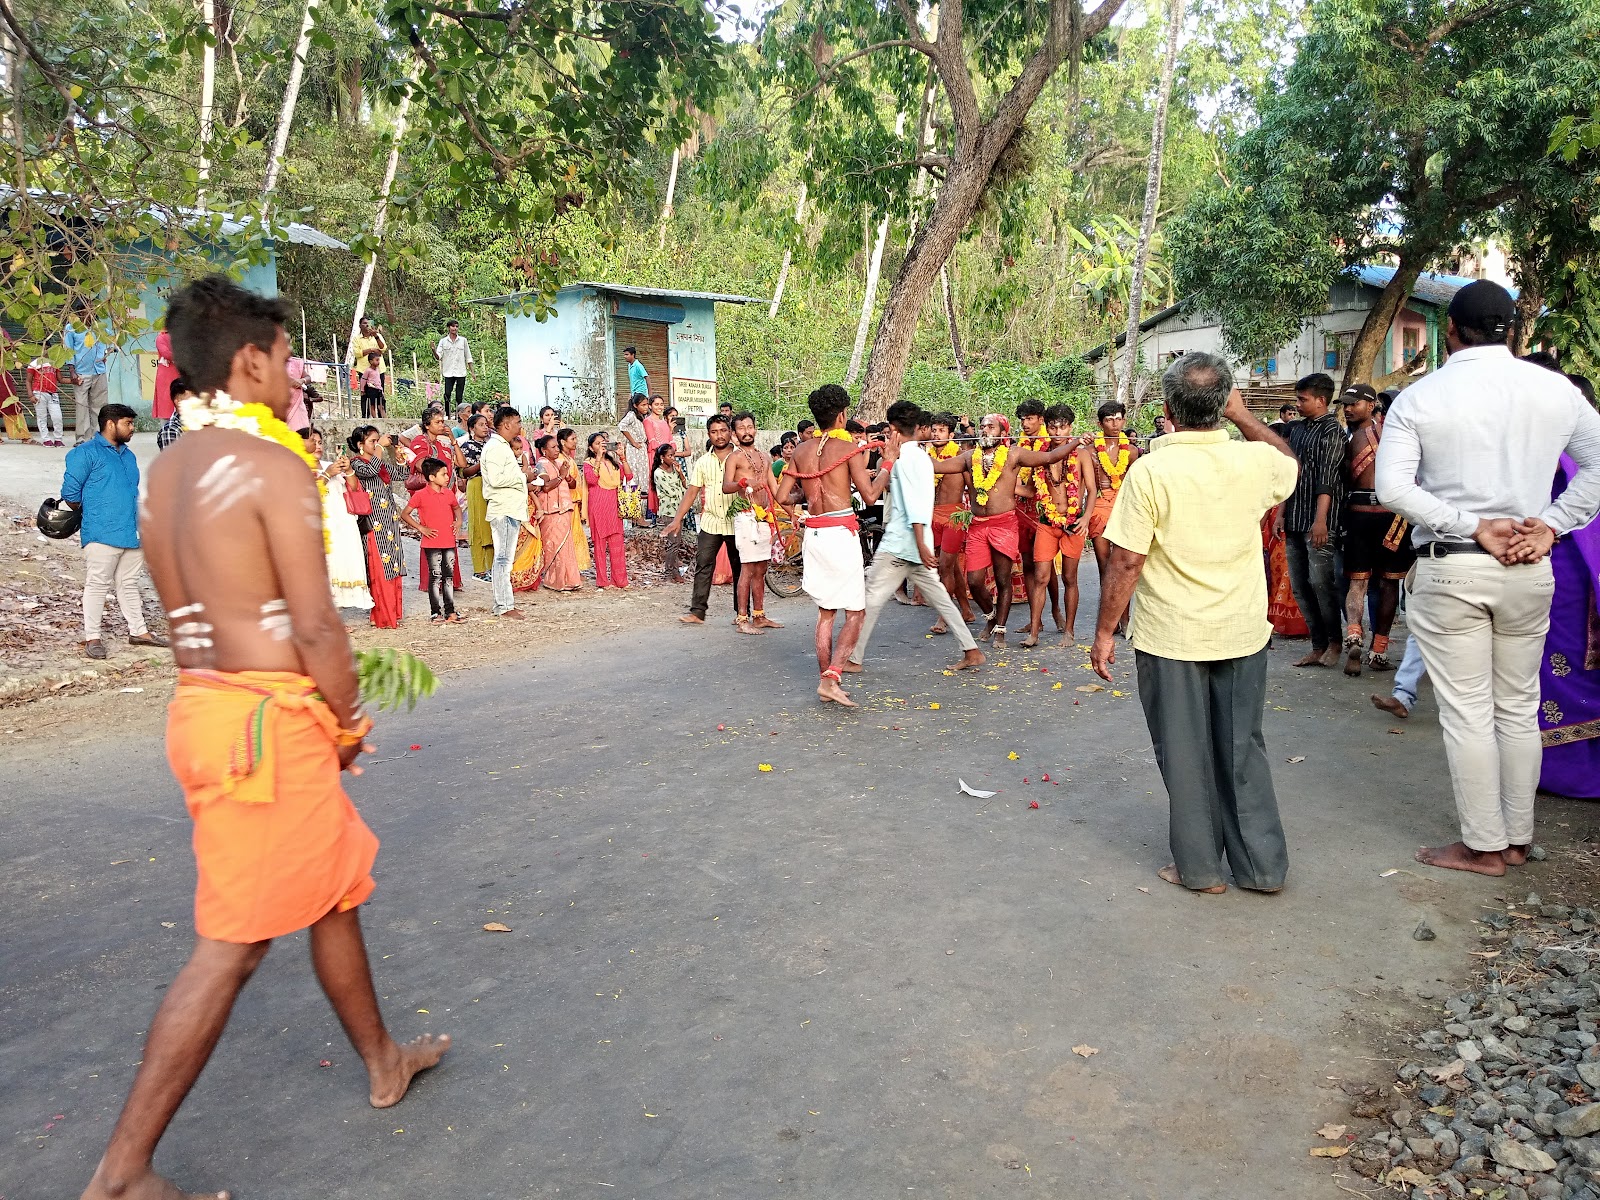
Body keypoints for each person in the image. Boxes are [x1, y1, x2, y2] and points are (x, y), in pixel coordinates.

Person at [77, 276, 448, 1200]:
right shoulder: (272, 468)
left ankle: (383, 1061)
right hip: (265, 723)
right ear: (249, 361)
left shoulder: (168, 472)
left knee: (333, 893)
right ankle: (122, 1171)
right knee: (234, 946)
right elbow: (316, 626)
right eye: (286, 360)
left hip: (203, 708)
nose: (294, 377)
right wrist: (348, 718)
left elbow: (192, 613)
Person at [1376, 280, 1600, 876]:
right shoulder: (1554, 391)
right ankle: (1517, 839)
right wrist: (1551, 525)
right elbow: (1598, 465)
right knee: (1518, 706)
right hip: (1529, 566)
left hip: (1453, 566)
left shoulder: (1421, 397)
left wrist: (1472, 525)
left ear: (1451, 330)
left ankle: (1483, 846)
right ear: (1512, 329)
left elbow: (1392, 488)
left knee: (1468, 710)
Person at [1092, 352, 1300, 894]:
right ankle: (1263, 867)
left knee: (1184, 752)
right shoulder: (1252, 461)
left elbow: (1126, 561)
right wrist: (1245, 417)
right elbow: (1289, 464)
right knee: (1242, 746)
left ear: (1166, 409)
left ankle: (1201, 869)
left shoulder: (1151, 470)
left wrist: (1104, 631)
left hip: (1173, 636)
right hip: (1240, 630)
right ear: (1224, 405)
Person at [841, 401, 985, 676]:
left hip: (902, 543)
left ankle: (855, 657)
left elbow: (915, 503)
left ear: (893, 430)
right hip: (916, 542)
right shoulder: (919, 456)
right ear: (919, 428)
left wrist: (919, 541)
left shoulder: (905, 458)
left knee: (870, 598)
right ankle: (971, 650)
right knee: (940, 597)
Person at [785, 383, 893, 705]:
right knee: (856, 614)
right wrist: (887, 462)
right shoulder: (847, 450)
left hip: (814, 535)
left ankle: (825, 681)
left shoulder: (801, 451)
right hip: (839, 535)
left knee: (826, 613)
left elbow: (781, 497)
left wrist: (807, 496)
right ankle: (831, 678)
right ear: (843, 415)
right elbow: (871, 494)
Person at [931, 413, 1078, 648]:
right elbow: (937, 466)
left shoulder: (1013, 455)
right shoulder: (970, 457)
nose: (985, 430)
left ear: (1003, 432)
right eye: (982, 427)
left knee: (1003, 579)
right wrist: (906, 448)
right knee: (975, 581)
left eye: (991, 427)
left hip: (1004, 524)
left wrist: (1077, 441)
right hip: (978, 525)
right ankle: (990, 616)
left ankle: (1000, 628)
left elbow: (1050, 456)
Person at [60, 404, 169, 661]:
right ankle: (92, 637)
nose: (132, 428)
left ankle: (138, 632)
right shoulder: (84, 454)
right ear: (111, 424)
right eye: (128, 423)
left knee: (128, 583)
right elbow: (70, 495)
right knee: (98, 584)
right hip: (101, 531)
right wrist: (96, 511)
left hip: (134, 531)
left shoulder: (128, 456)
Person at [1337, 382, 1413, 675]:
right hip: (1392, 514)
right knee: (1388, 582)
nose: (1347, 409)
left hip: (1358, 513)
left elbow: (1344, 477)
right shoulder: (1395, 436)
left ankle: (1354, 634)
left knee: (1358, 581)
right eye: (1345, 404)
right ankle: (1378, 650)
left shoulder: (1351, 439)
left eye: (1352, 404)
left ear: (1371, 406)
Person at [1280, 372, 1346, 668]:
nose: (1298, 404)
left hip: (1320, 519)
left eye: (1302, 399)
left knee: (1321, 583)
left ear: (1322, 400)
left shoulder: (1333, 431)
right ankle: (1317, 644)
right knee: (1300, 585)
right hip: (1294, 515)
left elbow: (1327, 479)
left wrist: (1321, 520)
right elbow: (1288, 474)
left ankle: (1334, 642)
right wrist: (1281, 512)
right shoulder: (1296, 430)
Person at [1026, 405, 1097, 646]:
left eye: (1063, 426)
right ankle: (1034, 632)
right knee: (1041, 577)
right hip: (1047, 522)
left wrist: (1086, 518)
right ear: (1047, 427)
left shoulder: (1083, 454)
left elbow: (1092, 489)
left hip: (1073, 522)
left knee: (1069, 578)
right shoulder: (1041, 455)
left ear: (1070, 427)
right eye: (1053, 426)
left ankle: (1069, 630)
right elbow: (1030, 490)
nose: (1057, 431)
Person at [664, 415, 741, 625]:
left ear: (730, 432)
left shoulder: (741, 458)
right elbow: (692, 492)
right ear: (709, 435)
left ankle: (742, 613)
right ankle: (697, 612)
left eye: (723, 430)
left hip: (737, 522)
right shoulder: (703, 462)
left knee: (740, 569)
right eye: (714, 432)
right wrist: (677, 519)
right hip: (711, 522)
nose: (719, 436)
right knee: (703, 565)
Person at [348, 426, 423, 628]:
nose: (375, 444)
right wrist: (381, 447)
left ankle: (392, 612)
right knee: (380, 569)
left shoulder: (378, 463)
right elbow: (371, 470)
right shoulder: (356, 464)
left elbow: (403, 473)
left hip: (389, 522)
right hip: (374, 523)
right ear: (359, 445)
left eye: (376, 441)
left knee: (393, 567)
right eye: (371, 441)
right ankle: (381, 615)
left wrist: (399, 458)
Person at [721, 411, 784, 633]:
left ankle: (759, 616)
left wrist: (791, 512)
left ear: (755, 429)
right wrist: (743, 482)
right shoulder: (734, 458)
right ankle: (742, 620)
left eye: (749, 427)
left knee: (761, 569)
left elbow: (775, 490)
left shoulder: (765, 457)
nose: (746, 432)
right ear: (734, 433)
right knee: (747, 569)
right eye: (741, 428)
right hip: (745, 516)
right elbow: (726, 486)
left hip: (764, 517)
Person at [1088, 400, 1143, 634]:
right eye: (1109, 419)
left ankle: (1125, 618)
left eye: (1119, 418)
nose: (1115, 423)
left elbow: (1137, 484)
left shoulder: (1130, 452)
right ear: (1101, 423)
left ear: (1124, 421)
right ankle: (1109, 621)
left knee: (1123, 565)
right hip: (1099, 508)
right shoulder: (1090, 451)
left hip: (1123, 508)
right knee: (1105, 567)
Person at [305, 430, 374, 613]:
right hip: (322, 523)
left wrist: (349, 469)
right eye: (314, 442)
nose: (318, 446)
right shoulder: (299, 466)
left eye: (320, 442)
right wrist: (326, 475)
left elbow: (353, 487)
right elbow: (307, 494)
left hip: (342, 521)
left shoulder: (330, 464)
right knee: (325, 566)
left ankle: (335, 615)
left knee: (340, 563)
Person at [1013, 398, 1064, 633]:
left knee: (1046, 567)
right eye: (1022, 419)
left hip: (1043, 510)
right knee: (1027, 565)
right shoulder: (1020, 445)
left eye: (1030, 418)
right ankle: (1036, 620)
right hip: (1022, 509)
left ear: (1040, 420)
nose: (1025, 423)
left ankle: (1056, 611)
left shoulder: (1048, 445)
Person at [481, 406, 533, 620]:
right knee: (502, 559)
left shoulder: (502, 447)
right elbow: (495, 479)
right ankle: (503, 605)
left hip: (510, 508)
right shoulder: (495, 447)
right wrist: (523, 477)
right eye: (518, 422)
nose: (521, 426)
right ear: (506, 424)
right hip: (503, 509)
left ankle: (506, 602)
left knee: (506, 559)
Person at [926, 412, 975, 633]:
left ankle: (944, 618)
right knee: (951, 567)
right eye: (934, 430)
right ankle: (966, 609)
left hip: (954, 516)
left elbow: (973, 488)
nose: (936, 434)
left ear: (951, 434)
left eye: (941, 430)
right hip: (932, 515)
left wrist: (977, 513)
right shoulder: (925, 456)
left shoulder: (961, 457)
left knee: (944, 566)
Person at [405, 458, 465, 623]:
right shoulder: (420, 495)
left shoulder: (448, 493)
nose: (447, 477)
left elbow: (456, 508)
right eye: (443, 474)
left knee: (448, 577)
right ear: (431, 477)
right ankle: (435, 612)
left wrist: (458, 521)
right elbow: (405, 513)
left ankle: (450, 611)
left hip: (449, 541)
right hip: (431, 543)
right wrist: (421, 528)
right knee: (435, 576)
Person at [533, 434, 582, 591]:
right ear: (543, 450)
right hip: (550, 510)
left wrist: (566, 477)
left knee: (566, 546)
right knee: (553, 546)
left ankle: (570, 580)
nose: (556, 450)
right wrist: (561, 475)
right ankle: (554, 580)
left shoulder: (561, 462)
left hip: (565, 508)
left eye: (557, 447)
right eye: (553, 447)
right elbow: (546, 486)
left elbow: (573, 484)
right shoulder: (541, 465)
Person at [584, 431, 630, 589]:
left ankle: (620, 580)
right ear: (591, 448)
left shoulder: (613, 462)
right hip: (598, 505)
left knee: (617, 543)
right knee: (600, 546)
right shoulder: (588, 462)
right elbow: (591, 480)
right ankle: (603, 581)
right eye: (598, 444)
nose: (602, 446)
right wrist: (598, 458)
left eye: (603, 443)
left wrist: (622, 457)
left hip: (614, 503)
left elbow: (629, 476)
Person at [64, 308, 113, 444]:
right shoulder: (71, 328)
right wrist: (72, 371)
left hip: (99, 372)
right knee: (82, 407)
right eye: (85, 311)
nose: (89, 313)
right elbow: (68, 350)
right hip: (81, 373)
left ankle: (98, 437)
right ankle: (82, 439)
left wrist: (105, 354)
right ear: (79, 313)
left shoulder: (100, 328)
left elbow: (111, 343)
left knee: (100, 406)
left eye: (92, 310)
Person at [460, 412, 494, 580]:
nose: (485, 427)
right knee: (478, 526)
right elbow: (464, 471)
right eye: (481, 424)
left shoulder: (491, 444)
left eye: (486, 424)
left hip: (491, 484)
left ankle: (491, 567)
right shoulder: (467, 446)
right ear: (472, 428)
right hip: (477, 484)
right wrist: (482, 464)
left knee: (490, 525)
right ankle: (479, 570)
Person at [653, 443, 689, 582]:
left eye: (673, 455)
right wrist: (685, 495)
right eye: (670, 455)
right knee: (673, 542)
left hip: (679, 510)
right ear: (662, 457)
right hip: (669, 511)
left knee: (676, 542)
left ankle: (674, 572)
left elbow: (686, 485)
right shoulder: (659, 473)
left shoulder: (674, 469)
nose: (673, 458)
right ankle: (670, 572)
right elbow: (672, 492)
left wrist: (680, 473)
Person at [617, 393, 651, 526]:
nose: (645, 407)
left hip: (641, 451)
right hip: (635, 451)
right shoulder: (631, 415)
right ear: (636, 405)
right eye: (643, 405)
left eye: (646, 404)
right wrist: (633, 442)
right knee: (633, 482)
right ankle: (636, 516)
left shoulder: (641, 417)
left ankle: (637, 515)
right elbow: (622, 426)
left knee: (641, 482)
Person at [28, 352, 65, 446]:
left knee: (57, 417)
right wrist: (31, 395)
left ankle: (58, 439)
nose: (46, 351)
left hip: (53, 393)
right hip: (39, 393)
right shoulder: (34, 363)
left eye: (49, 349)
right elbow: (28, 380)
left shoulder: (55, 363)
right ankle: (46, 439)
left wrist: (74, 381)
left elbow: (61, 379)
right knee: (42, 417)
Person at [644, 393, 673, 514]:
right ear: (650, 406)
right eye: (656, 404)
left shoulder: (664, 422)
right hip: (656, 456)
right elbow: (653, 442)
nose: (659, 407)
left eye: (661, 404)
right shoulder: (647, 421)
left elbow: (670, 439)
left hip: (667, 456)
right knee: (657, 483)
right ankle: (656, 512)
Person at [434, 319, 472, 409]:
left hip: (461, 372)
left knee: (459, 396)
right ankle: (447, 413)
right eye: (453, 326)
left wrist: (472, 372)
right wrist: (433, 350)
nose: (455, 328)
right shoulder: (443, 341)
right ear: (448, 327)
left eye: (456, 326)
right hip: (448, 372)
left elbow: (468, 356)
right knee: (447, 393)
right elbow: (438, 356)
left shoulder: (463, 340)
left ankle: (459, 414)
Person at [351, 316, 387, 399]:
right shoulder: (356, 339)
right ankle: (366, 412)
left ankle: (381, 411)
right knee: (365, 395)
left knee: (380, 395)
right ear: (360, 326)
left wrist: (376, 336)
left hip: (379, 370)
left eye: (368, 323)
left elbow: (383, 348)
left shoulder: (377, 336)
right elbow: (357, 353)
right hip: (364, 370)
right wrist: (372, 350)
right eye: (364, 323)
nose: (367, 325)